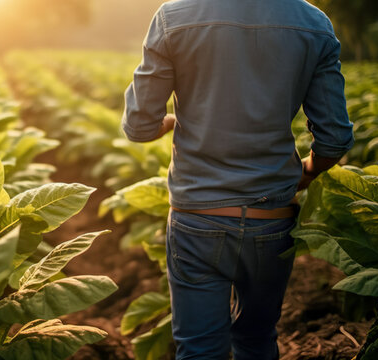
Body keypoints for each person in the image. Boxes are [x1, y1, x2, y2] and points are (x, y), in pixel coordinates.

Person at [121, 0, 355, 359]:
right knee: (257, 339)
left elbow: (138, 126)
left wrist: (169, 123)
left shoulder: (174, 18)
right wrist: (307, 172)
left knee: (200, 350)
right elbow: (335, 139)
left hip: (197, 219)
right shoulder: (314, 23)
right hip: (273, 219)